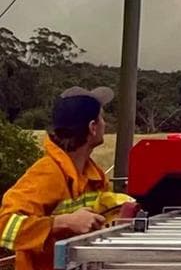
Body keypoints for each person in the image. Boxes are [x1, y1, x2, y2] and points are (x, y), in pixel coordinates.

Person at [0, 87, 116, 270]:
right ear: (92, 128)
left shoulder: (94, 176)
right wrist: (63, 222)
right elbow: (5, 226)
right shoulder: (47, 174)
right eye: (101, 118)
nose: (105, 124)